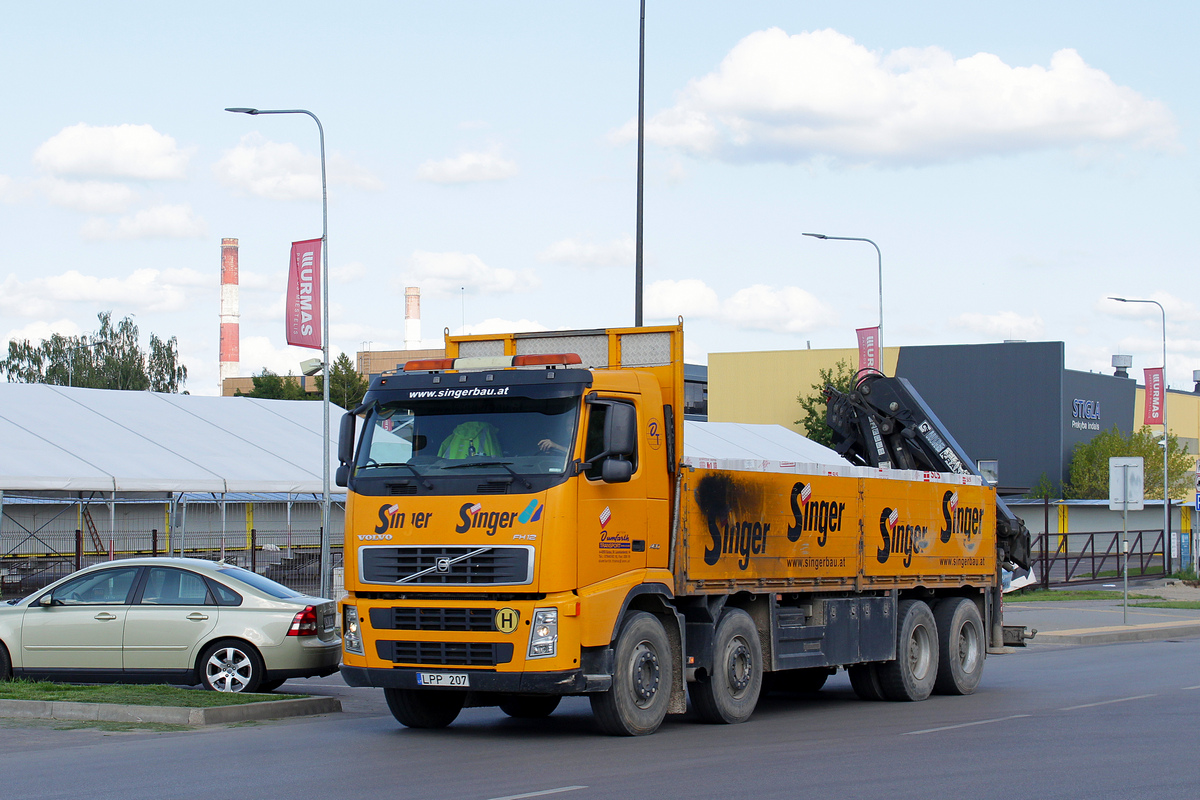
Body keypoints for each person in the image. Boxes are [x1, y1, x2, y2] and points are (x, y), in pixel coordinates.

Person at [438, 421, 502, 459]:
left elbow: (438, 463)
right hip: (483, 477)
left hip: (451, 478)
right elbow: (497, 460)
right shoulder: (488, 433)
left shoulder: (454, 436)